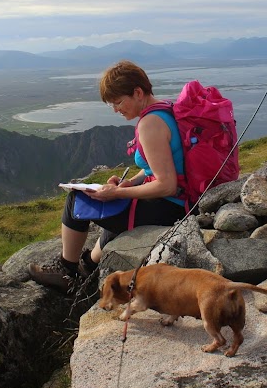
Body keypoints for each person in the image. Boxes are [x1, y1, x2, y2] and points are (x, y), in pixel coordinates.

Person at [28, 60, 186, 293]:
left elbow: (167, 185)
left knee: (77, 200)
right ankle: (88, 268)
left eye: (119, 102)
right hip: (183, 201)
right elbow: (157, 167)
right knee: (116, 211)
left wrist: (117, 192)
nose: (116, 109)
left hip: (172, 206)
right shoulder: (164, 110)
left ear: (138, 92)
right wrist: (130, 183)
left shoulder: (150, 124)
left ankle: (66, 270)